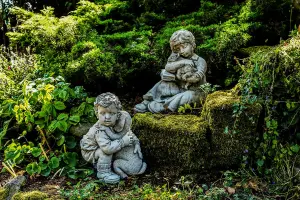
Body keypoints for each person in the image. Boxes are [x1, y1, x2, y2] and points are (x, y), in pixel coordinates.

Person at [134, 29, 207, 113]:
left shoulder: (200, 61)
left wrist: (179, 77)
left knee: (188, 97)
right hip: (178, 88)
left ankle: (164, 107)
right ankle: (147, 101)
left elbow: (195, 79)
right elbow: (168, 67)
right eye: (178, 49)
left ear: (192, 44)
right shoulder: (177, 56)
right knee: (162, 84)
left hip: (194, 91)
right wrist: (183, 62)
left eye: (184, 47)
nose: (181, 51)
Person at [80, 92, 146, 184]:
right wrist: (123, 142)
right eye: (102, 113)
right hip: (91, 151)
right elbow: (107, 149)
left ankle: (108, 165)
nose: (107, 117)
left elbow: (128, 133)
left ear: (118, 114)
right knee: (104, 153)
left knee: (113, 149)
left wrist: (136, 143)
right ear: (97, 114)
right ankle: (103, 173)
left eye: (111, 113)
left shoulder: (117, 123)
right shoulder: (100, 130)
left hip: (107, 145)